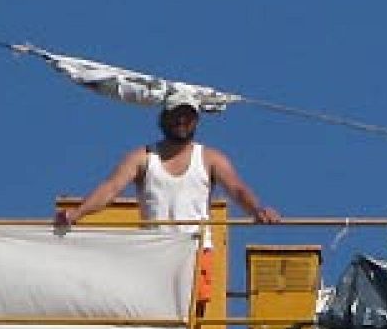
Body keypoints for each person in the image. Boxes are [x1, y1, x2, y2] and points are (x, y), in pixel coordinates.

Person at [54, 91, 279, 298]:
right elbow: (110, 188)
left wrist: (257, 210)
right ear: (163, 118)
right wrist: (78, 213)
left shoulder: (210, 158)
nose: (181, 121)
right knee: (155, 311)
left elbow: (237, 189)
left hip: (195, 251)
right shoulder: (142, 157)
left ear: (196, 121)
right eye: (176, 115)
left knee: (193, 313)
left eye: (187, 116)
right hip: (155, 251)